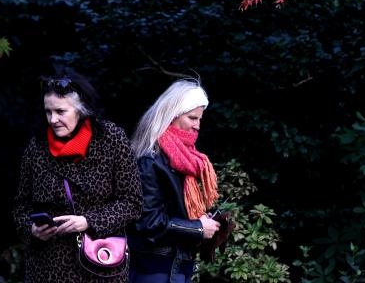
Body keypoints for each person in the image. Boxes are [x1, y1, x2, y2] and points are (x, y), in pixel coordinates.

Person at [13, 73, 143, 283]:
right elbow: (20, 206)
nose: (53, 120)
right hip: (47, 268)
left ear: (81, 110)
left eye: (61, 111)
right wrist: (32, 229)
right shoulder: (37, 147)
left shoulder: (111, 139)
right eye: (48, 112)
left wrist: (88, 221)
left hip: (100, 266)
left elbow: (132, 203)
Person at [127, 78, 223, 282]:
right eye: (192, 118)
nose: (197, 126)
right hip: (155, 270)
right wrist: (197, 228)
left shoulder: (186, 158)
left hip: (178, 267)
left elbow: (174, 211)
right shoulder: (150, 159)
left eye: (199, 119)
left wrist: (202, 220)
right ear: (172, 115)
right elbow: (148, 223)